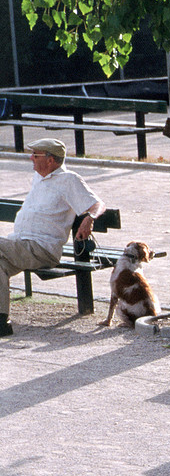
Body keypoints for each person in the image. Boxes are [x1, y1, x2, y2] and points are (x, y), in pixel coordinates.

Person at [1, 139, 104, 337]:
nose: (30, 158)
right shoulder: (38, 177)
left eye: (35, 155)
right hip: (20, 244)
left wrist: (89, 218)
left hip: (41, 248)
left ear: (50, 160)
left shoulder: (69, 180)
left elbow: (98, 204)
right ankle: (1, 322)